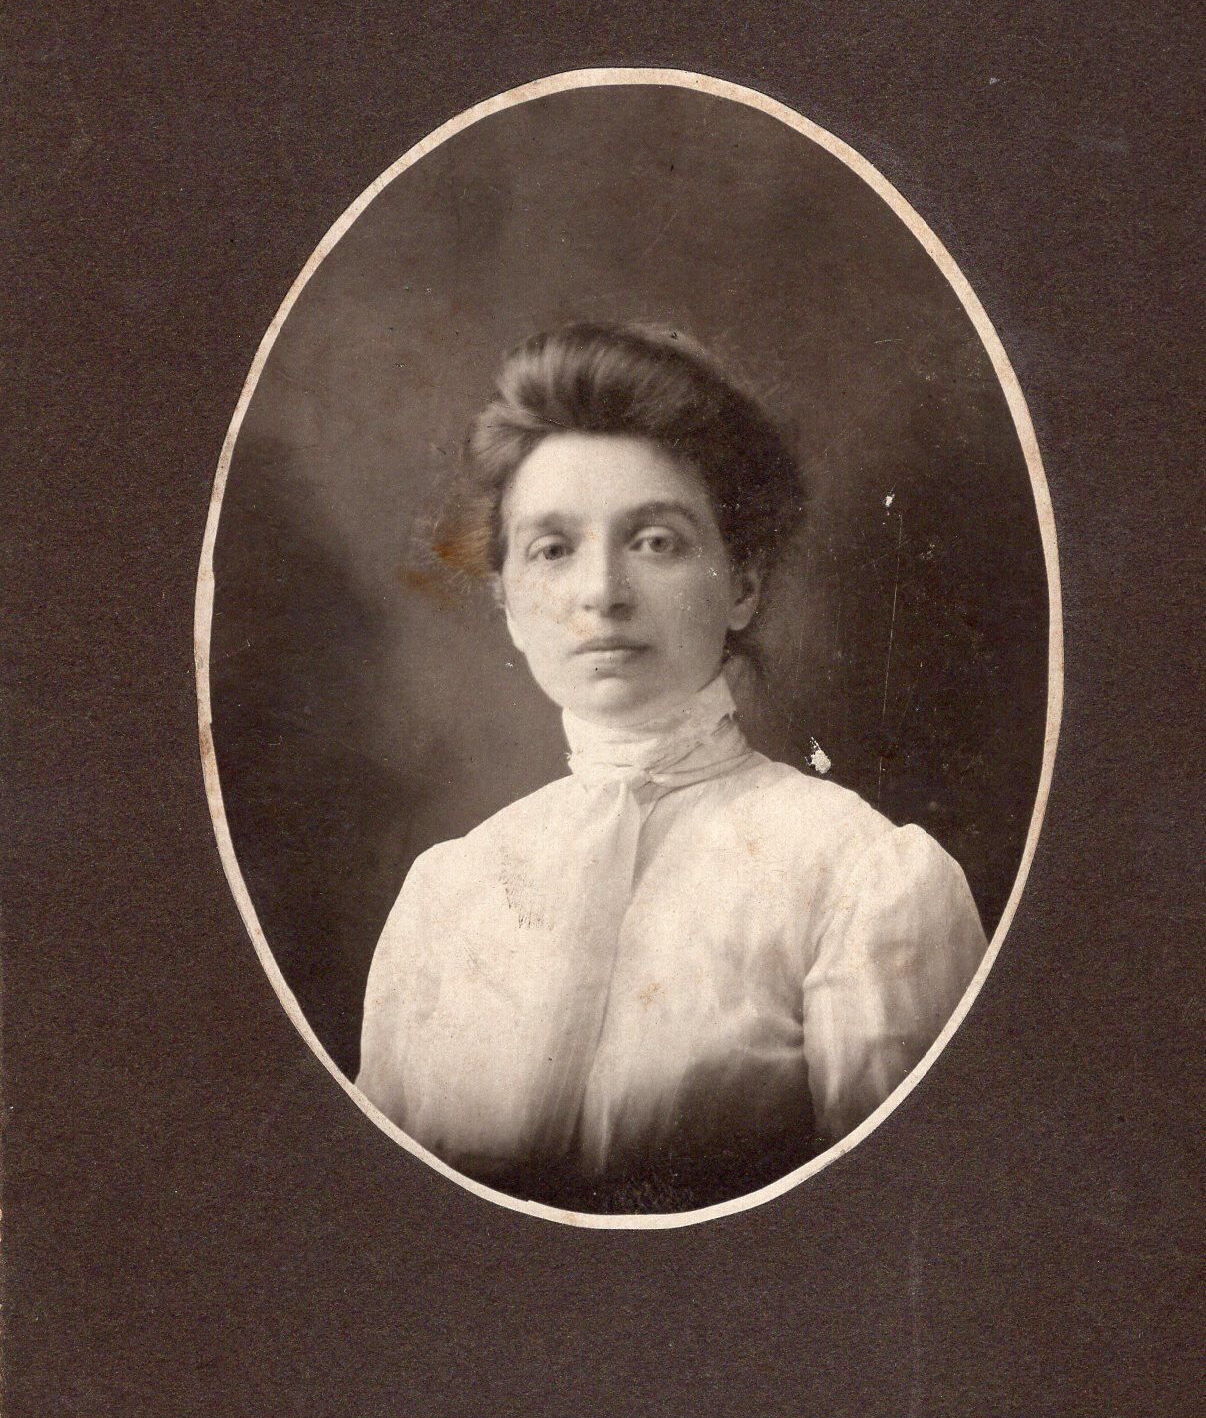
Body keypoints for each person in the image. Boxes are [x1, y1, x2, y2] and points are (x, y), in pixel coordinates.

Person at [357, 323, 986, 1212]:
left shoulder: (864, 878)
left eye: (655, 540)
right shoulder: (443, 896)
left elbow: (895, 1235)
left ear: (743, 584)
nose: (602, 593)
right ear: (508, 602)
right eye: (552, 548)